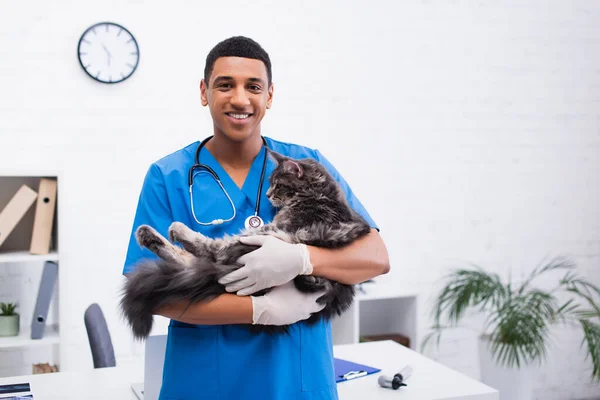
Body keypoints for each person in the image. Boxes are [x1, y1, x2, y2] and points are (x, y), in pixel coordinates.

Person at [123, 36, 390, 400]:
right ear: (204, 92)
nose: (239, 98)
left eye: (253, 87)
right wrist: (260, 309)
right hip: (205, 384)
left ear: (269, 96)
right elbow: (154, 296)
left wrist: (304, 258)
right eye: (224, 85)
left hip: (295, 383)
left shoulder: (305, 163)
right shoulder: (167, 176)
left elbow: (375, 257)